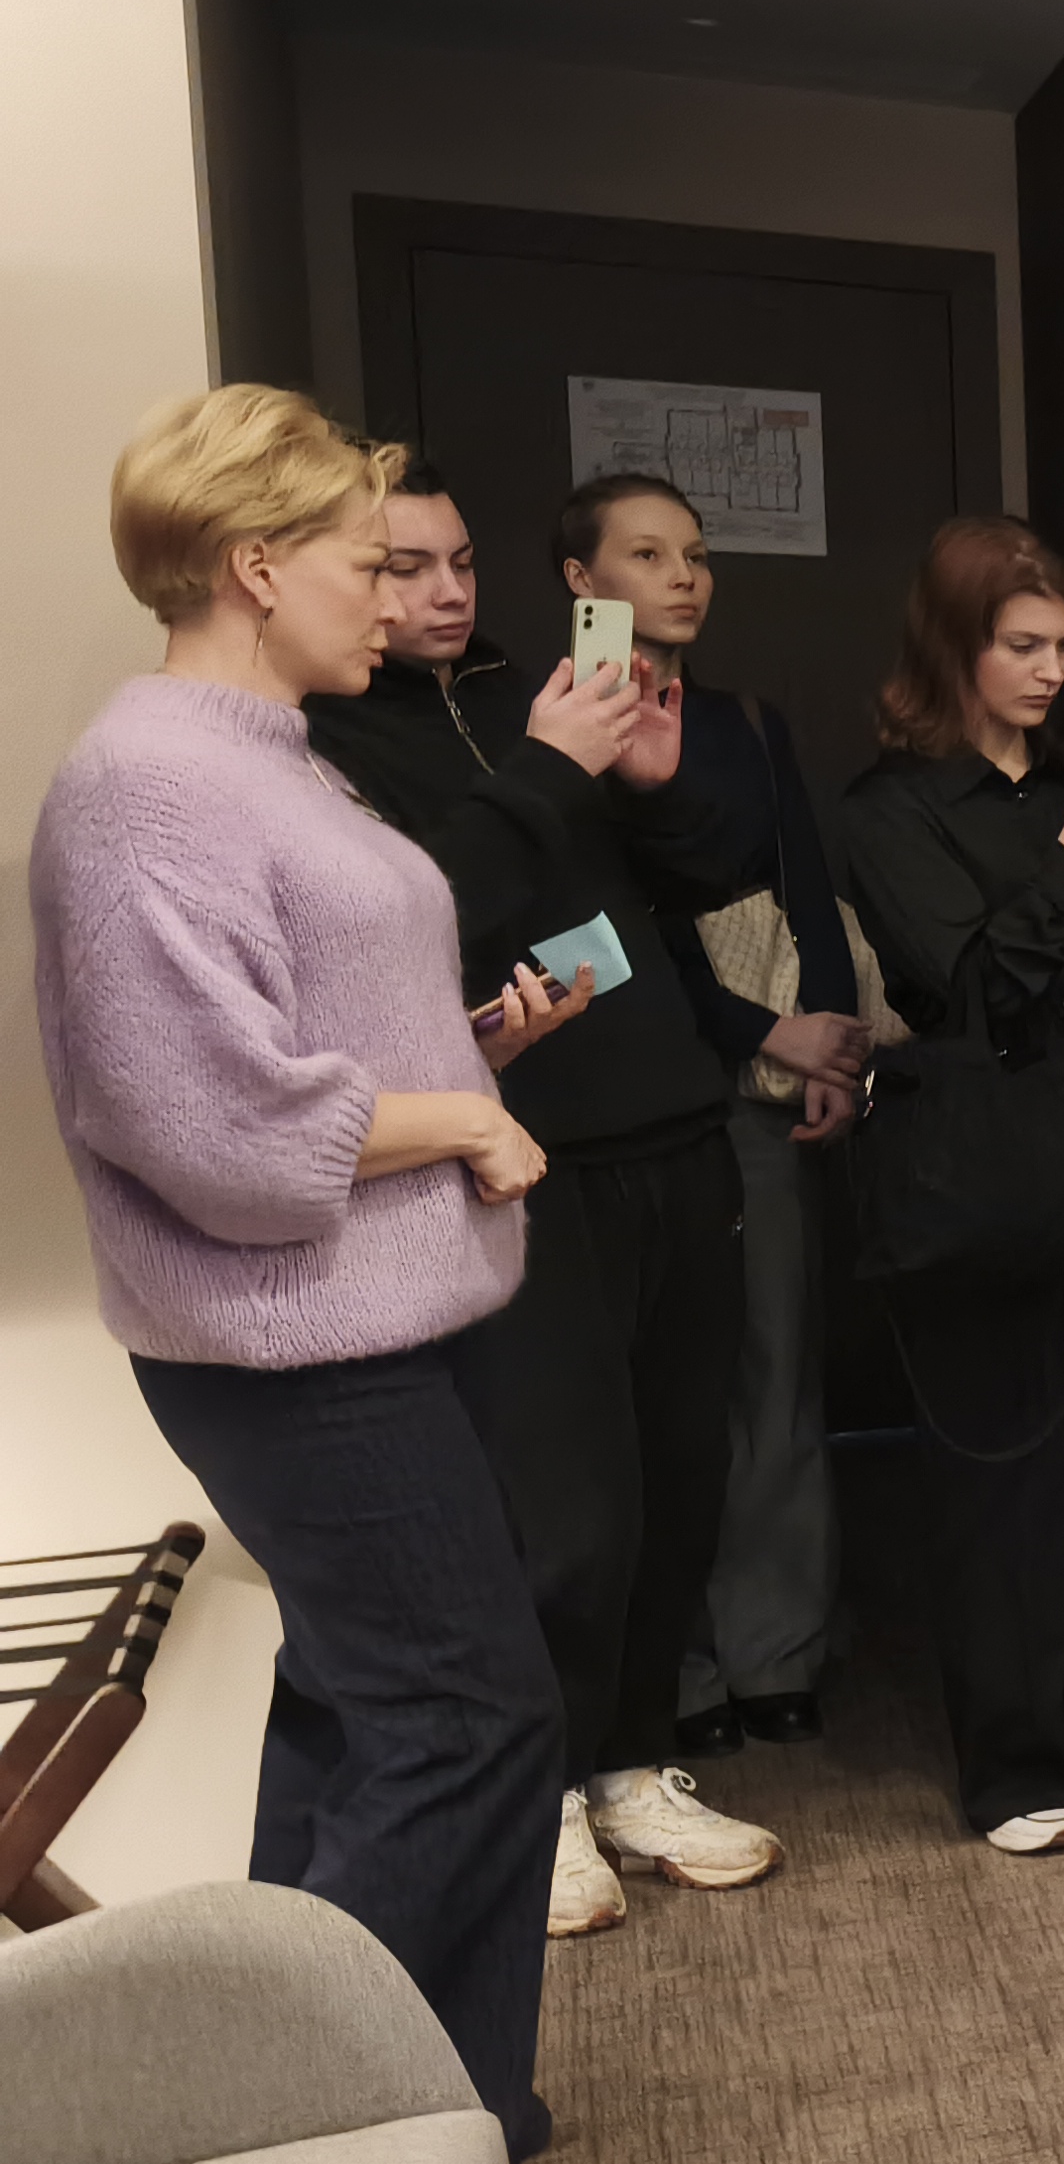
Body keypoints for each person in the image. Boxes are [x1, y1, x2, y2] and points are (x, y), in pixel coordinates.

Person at [33, 386, 593, 2164]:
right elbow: (197, 1114)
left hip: (377, 1320)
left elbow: (294, 1039)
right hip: (298, 1349)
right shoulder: (149, 785)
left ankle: (424, 2132)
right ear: (255, 566)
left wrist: (470, 1052)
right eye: (370, 561)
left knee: (365, 1712)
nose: (402, 594)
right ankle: (295, 2128)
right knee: (468, 1720)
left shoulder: (277, 755)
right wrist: (455, 1115)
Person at [309, 464, 786, 1934]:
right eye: (403, 566)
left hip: (673, 1127)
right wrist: (550, 768)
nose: (446, 591)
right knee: (566, 1508)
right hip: (521, 1154)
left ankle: (635, 1767)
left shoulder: (541, 691)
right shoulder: (325, 738)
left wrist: (652, 785)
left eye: (460, 560)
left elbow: (703, 880)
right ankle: (548, 1796)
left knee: (681, 1480)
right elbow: (415, 924)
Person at [832, 518, 1064, 1856]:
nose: (1052, 670)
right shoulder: (885, 811)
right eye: (1022, 644)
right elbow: (978, 994)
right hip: (978, 1167)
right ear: (955, 647)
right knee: (998, 1478)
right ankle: (1016, 1767)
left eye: (1062, 646)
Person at [657, 655, 870, 1754]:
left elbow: (805, 883)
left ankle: (775, 1650)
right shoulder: (554, 727)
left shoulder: (742, 718)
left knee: (778, 1362)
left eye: (693, 566)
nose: (681, 579)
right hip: (643, 1093)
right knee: (666, 1390)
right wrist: (759, 1029)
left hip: (761, 1094)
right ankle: (679, 1664)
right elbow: (617, 925)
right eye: (650, 565)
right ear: (578, 578)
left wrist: (829, 1047)